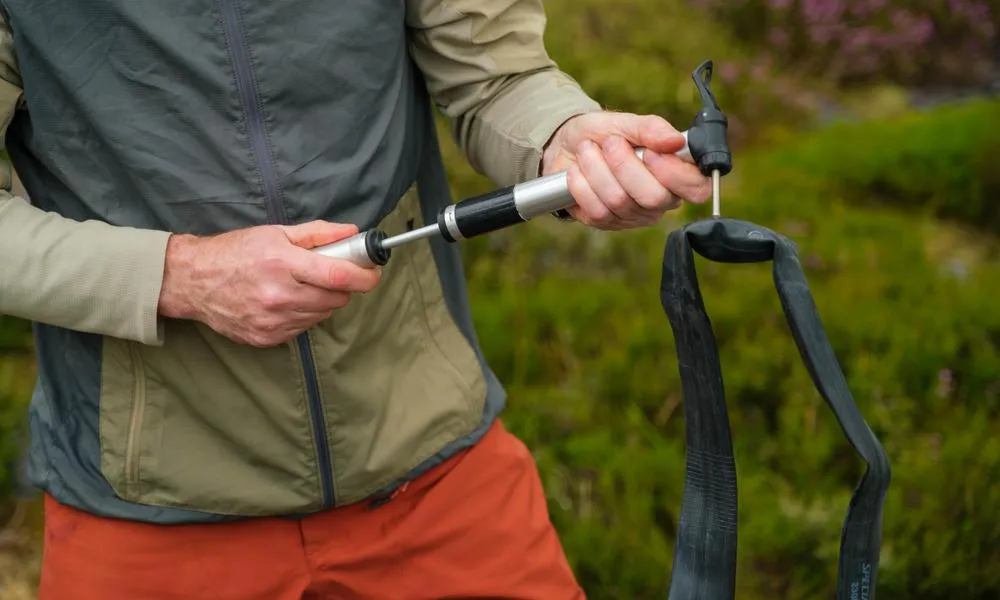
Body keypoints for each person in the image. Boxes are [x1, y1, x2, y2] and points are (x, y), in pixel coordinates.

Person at [0, 1, 710, 598]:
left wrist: (563, 141)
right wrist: (177, 276)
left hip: (433, 470)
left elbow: (496, 73)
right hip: (145, 514)